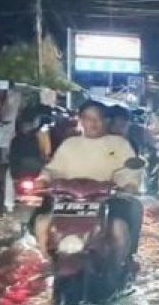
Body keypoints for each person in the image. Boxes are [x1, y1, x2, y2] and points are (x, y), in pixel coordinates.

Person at [32, 100, 142, 266]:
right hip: (71, 203)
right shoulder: (70, 144)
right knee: (41, 223)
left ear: (106, 121)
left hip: (106, 202)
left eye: (98, 118)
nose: (94, 123)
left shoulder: (119, 144)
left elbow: (129, 171)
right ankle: (49, 263)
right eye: (88, 118)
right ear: (81, 120)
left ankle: (118, 266)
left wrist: (129, 185)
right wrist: (43, 180)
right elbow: (54, 168)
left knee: (119, 228)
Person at [9, 112, 50, 182]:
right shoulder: (16, 141)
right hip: (19, 174)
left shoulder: (35, 139)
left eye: (29, 125)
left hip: (33, 174)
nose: (27, 127)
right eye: (25, 125)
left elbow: (39, 155)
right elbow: (13, 159)